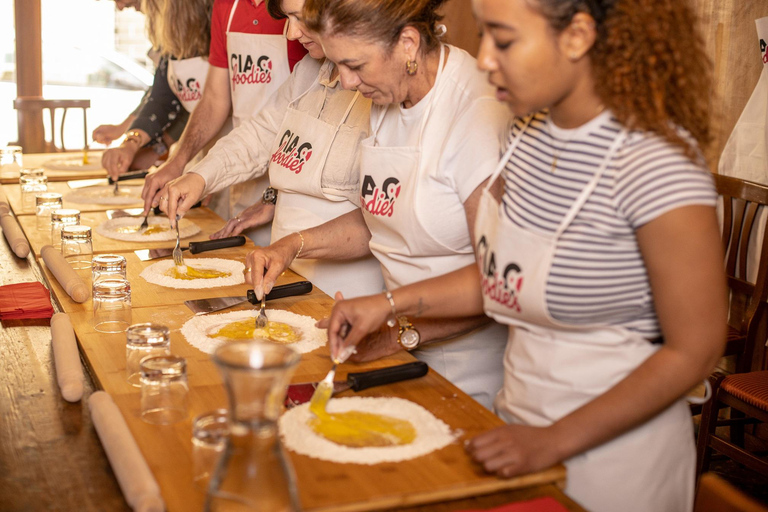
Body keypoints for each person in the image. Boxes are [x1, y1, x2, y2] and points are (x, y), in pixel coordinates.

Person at [322, 0, 727, 510]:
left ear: (578, 36)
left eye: (504, 39)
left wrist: (552, 440)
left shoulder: (656, 164)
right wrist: (389, 305)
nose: (486, 58)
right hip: (518, 420)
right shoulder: (527, 137)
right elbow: (506, 276)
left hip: (615, 465)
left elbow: (695, 351)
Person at [240, 0, 510, 409]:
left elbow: (501, 282)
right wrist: (292, 245)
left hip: (465, 369)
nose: (346, 83)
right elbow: (380, 217)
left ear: (407, 43)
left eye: (356, 66)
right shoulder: (388, 94)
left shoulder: (474, 114)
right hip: (401, 344)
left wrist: (393, 321)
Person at [159, 0, 384, 299]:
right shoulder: (309, 70)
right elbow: (260, 133)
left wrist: (294, 244)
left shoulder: (380, 87)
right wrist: (200, 176)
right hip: (285, 276)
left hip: (345, 292)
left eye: (299, 18)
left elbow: (380, 219)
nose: (290, 33)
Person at [144, 0, 307, 246]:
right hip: (242, 175)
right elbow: (214, 100)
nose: (294, 31)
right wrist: (179, 162)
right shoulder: (226, 7)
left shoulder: (299, 10)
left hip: (295, 186)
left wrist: (274, 197)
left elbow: (306, 116)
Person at [100, 0, 209, 178]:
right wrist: (130, 143)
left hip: (231, 152)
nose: (119, 7)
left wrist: (159, 150)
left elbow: (208, 106)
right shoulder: (173, 36)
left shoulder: (213, 25)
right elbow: (161, 97)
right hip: (200, 156)